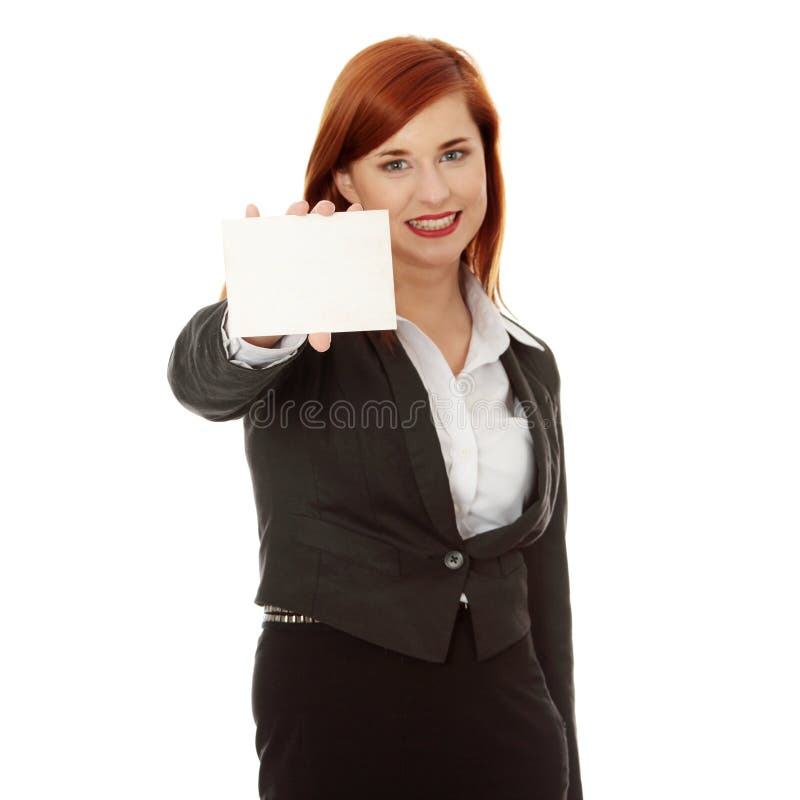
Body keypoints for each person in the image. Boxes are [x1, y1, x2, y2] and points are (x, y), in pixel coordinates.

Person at [167, 35, 583, 800]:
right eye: (396, 163)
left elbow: (545, 590)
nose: (435, 191)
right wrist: (259, 315)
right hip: (338, 712)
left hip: (511, 720)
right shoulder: (298, 330)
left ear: (486, 160)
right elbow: (201, 383)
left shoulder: (528, 362)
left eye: (454, 153)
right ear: (344, 179)